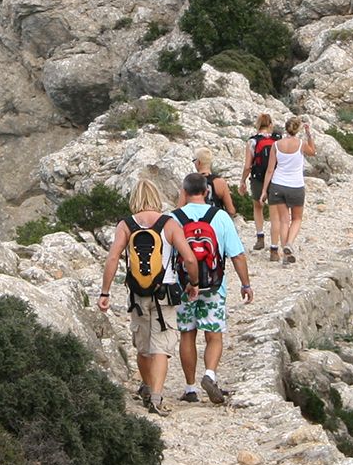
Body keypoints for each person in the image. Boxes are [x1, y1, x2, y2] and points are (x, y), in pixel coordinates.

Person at [99, 175, 200, 415]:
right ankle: (156, 397)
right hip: (165, 293)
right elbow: (189, 258)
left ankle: (146, 387)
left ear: (134, 199)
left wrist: (105, 291)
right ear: (156, 198)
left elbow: (113, 257)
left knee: (143, 347)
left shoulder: (126, 224)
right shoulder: (169, 224)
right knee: (161, 348)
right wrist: (193, 283)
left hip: (137, 294)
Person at [170, 171, 253, 404]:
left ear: (184, 192)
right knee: (213, 335)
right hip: (214, 287)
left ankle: (189, 388)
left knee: (187, 334)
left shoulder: (172, 218)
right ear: (207, 192)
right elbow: (236, 254)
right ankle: (210, 375)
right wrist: (245, 284)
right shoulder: (221, 217)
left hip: (184, 286)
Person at [267, 114, 316, 264]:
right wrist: (309, 134)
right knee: (297, 218)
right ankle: (289, 244)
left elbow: (270, 170)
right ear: (298, 129)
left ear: (286, 128)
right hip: (295, 185)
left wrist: (264, 190)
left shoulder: (276, 145)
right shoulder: (301, 144)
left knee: (283, 220)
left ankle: (285, 255)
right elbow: (313, 151)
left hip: (278, 184)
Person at [244, 112, 280, 254]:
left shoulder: (252, 142)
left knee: (258, 207)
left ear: (257, 125)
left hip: (258, 177)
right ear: (270, 125)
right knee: (274, 213)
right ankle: (274, 247)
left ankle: (260, 238)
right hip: (275, 178)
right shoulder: (276, 141)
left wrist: (242, 181)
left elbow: (247, 166)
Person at [192, 148, 238, 220]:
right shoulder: (220, 182)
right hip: (215, 222)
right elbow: (231, 210)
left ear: (198, 162)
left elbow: (180, 209)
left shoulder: (190, 182)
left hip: (196, 224)